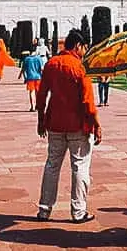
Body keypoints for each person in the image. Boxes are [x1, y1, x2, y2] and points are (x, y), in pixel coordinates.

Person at [36, 29, 101, 223]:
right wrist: (96, 124)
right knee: (79, 166)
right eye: (84, 47)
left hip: (55, 122)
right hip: (78, 125)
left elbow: (42, 95)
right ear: (78, 46)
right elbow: (88, 102)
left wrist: (41, 120)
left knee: (52, 165)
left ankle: (44, 210)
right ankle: (78, 212)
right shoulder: (80, 67)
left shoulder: (51, 63)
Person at [19, 44, 46, 110]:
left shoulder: (27, 59)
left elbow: (23, 69)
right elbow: (42, 68)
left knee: (31, 92)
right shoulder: (39, 58)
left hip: (30, 77)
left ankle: (32, 106)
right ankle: (38, 105)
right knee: (38, 92)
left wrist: (22, 76)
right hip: (38, 77)